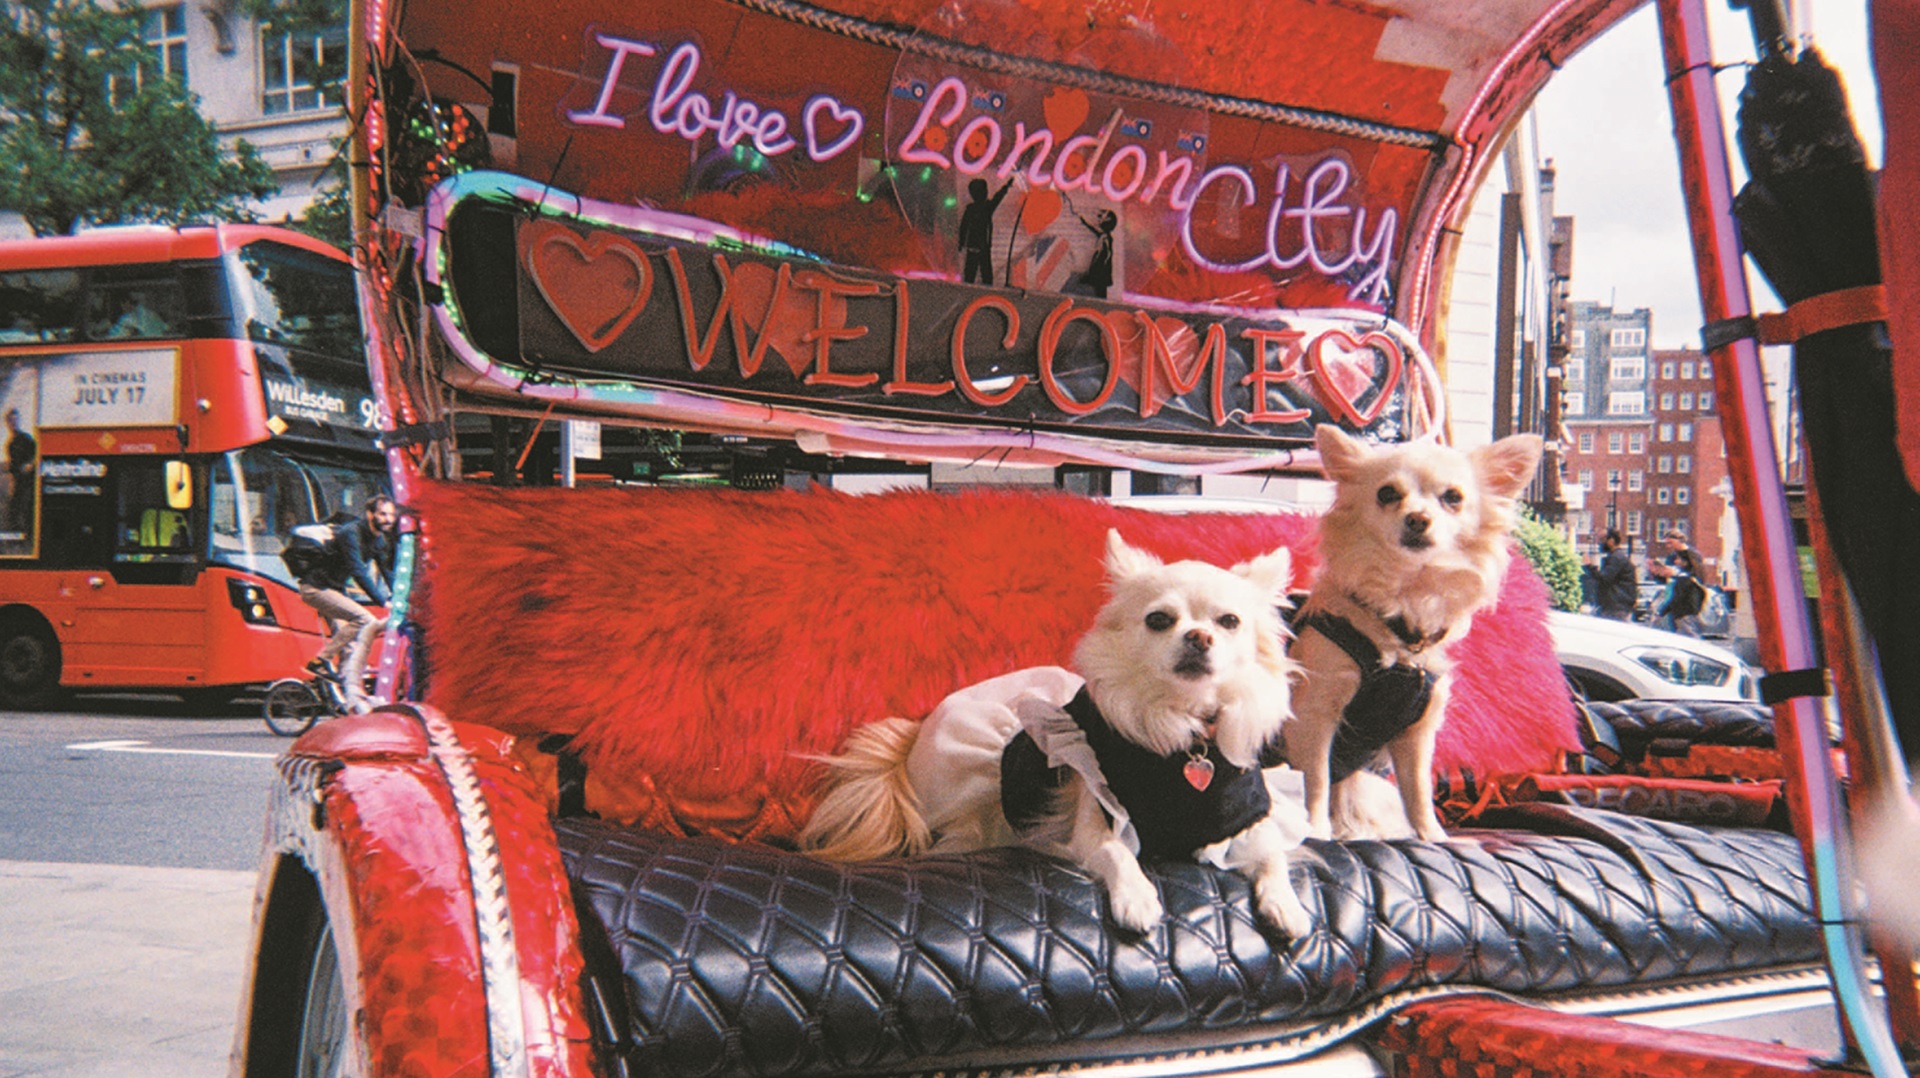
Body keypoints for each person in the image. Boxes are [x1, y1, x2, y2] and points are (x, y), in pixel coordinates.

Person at [294, 495, 398, 711]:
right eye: (383, 514)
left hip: (334, 590)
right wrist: (381, 602)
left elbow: (387, 570)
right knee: (365, 620)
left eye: (391, 514)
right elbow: (358, 570)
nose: (388, 519)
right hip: (316, 588)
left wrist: (399, 597)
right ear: (371, 515)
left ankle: (342, 700)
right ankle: (321, 660)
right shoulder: (350, 533)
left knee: (351, 645)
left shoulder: (378, 539)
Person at [1649, 530, 1708, 637]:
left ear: (1679, 541)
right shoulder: (1672, 557)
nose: (1668, 546)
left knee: (1688, 633)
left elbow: (1696, 577)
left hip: (1687, 603)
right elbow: (1667, 579)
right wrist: (1658, 573)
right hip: (1674, 599)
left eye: (1670, 543)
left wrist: (1675, 574)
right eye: (1667, 543)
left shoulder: (1692, 555)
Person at [957, 176, 1015, 285]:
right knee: (986, 276)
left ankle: (968, 291)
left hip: (974, 246)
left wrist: (962, 242)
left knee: (971, 274)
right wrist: (1006, 186)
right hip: (983, 247)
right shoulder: (986, 207)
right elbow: (997, 198)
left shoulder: (971, 209)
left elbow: (963, 227)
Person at [4, 408, 36, 536]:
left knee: (29, 505)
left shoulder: (26, 438)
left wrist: (30, 464)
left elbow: (36, 455)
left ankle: (31, 532)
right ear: (7, 423)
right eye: (11, 421)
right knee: (14, 505)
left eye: (16, 420)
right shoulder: (10, 444)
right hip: (18, 479)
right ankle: (15, 532)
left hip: (30, 479)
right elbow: (13, 464)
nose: (14, 423)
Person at [1594, 528, 1637, 621]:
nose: (1599, 543)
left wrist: (1590, 567)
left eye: (1602, 539)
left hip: (1616, 608)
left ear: (1611, 540)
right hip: (1616, 606)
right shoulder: (1616, 557)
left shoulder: (1616, 558)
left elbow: (1605, 578)